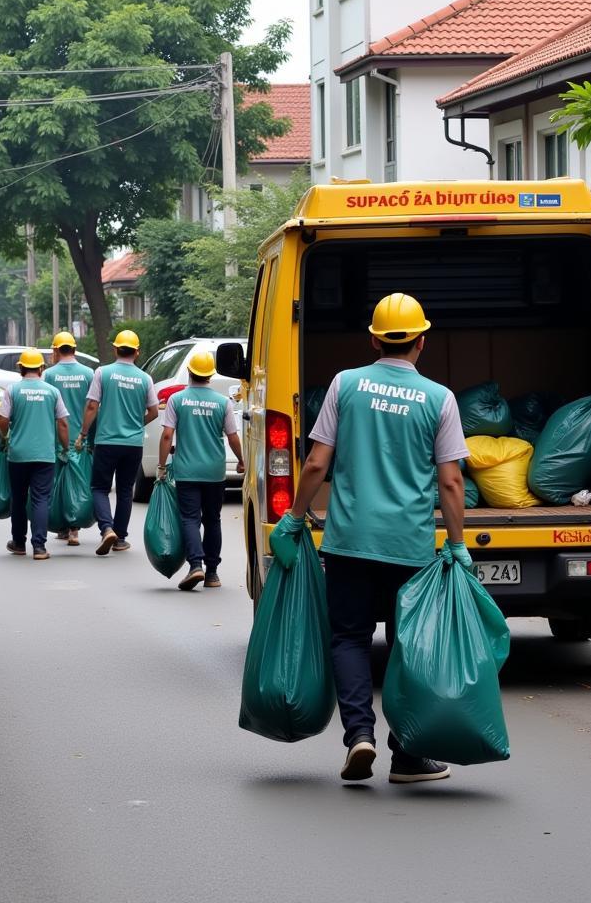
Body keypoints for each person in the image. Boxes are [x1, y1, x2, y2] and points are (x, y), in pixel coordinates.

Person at [274, 293, 470, 785]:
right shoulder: (439, 398)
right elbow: (450, 481)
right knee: (408, 647)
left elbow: (317, 463)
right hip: (409, 547)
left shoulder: (345, 385)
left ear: (374, 339)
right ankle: (406, 756)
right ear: (422, 341)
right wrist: (458, 542)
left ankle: (359, 735)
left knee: (349, 638)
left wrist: (295, 519)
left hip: (349, 542)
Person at [156, 351, 244, 591]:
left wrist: (162, 466)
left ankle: (196, 565)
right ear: (210, 375)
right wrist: (241, 460)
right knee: (213, 520)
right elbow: (233, 437)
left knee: (190, 519)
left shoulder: (177, 400)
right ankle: (213, 573)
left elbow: (166, 435)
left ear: (190, 372)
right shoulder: (223, 402)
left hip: (186, 471)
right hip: (215, 472)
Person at [78, 330, 159, 555]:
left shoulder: (103, 373)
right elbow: (153, 411)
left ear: (115, 349)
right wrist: (137, 423)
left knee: (99, 488)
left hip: (106, 441)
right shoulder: (145, 378)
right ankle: (120, 538)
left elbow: (92, 406)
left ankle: (106, 528)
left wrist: (84, 433)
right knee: (125, 490)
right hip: (133, 444)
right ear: (137, 352)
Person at [0, 349, 69, 560]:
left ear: (20, 368)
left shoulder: (13, 390)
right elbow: (63, 423)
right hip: (45, 455)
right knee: (40, 500)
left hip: (18, 455)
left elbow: (2, 418)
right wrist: (65, 447)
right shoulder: (52, 392)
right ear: (41, 368)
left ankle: (19, 543)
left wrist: (5, 436)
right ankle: (39, 547)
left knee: (18, 499)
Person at [44, 331, 94, 546]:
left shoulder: (49, 375)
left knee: (58, 482)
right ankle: (74, 528)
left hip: (57, 438)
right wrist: (87, 435)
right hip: (80, 439)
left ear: (56, 350)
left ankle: (64, 527)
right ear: (74, 349)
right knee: (77, 483)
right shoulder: (89, 373)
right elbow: (94, 406)